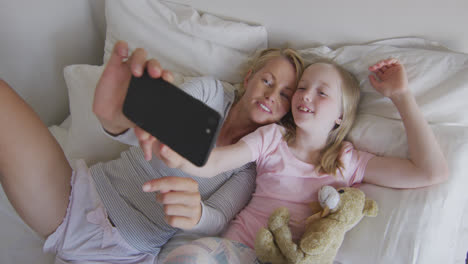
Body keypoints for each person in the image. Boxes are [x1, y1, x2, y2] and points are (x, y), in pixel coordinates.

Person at [0, 40, 304, 263]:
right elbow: (156, 127)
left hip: (127, 252)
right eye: (267, 81)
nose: (270, 95)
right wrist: (119, 121)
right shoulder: (211, 93)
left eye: (284, 95)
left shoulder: (249, 166)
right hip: (79, 199)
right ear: (249, 78)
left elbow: (219, 218)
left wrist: (196, 214)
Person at [156, 57, 449, 262]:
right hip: (240, 249)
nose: (306, 95)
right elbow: (217, 162)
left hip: (298, 260)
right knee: (189, 258)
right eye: (302, 87)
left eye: (321, 92)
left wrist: (401, 95)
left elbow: (429, 172)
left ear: (340, 116)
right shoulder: (272, 137)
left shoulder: (348, 161)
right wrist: (182, 157)